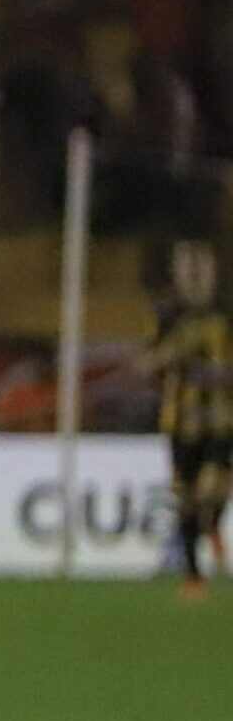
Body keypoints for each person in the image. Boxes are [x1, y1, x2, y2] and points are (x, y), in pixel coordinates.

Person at [145, 242, 230, 599]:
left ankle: (211, 523)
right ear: (177, 272)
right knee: (187, 497)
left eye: (200, 266)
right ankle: (193, 575)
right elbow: (149, 363)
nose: (194, 273)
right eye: (186, 266)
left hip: (222, 418)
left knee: (212, 488)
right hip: (180, 421)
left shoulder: (226, 310)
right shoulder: (167, 314)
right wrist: (169, 355)